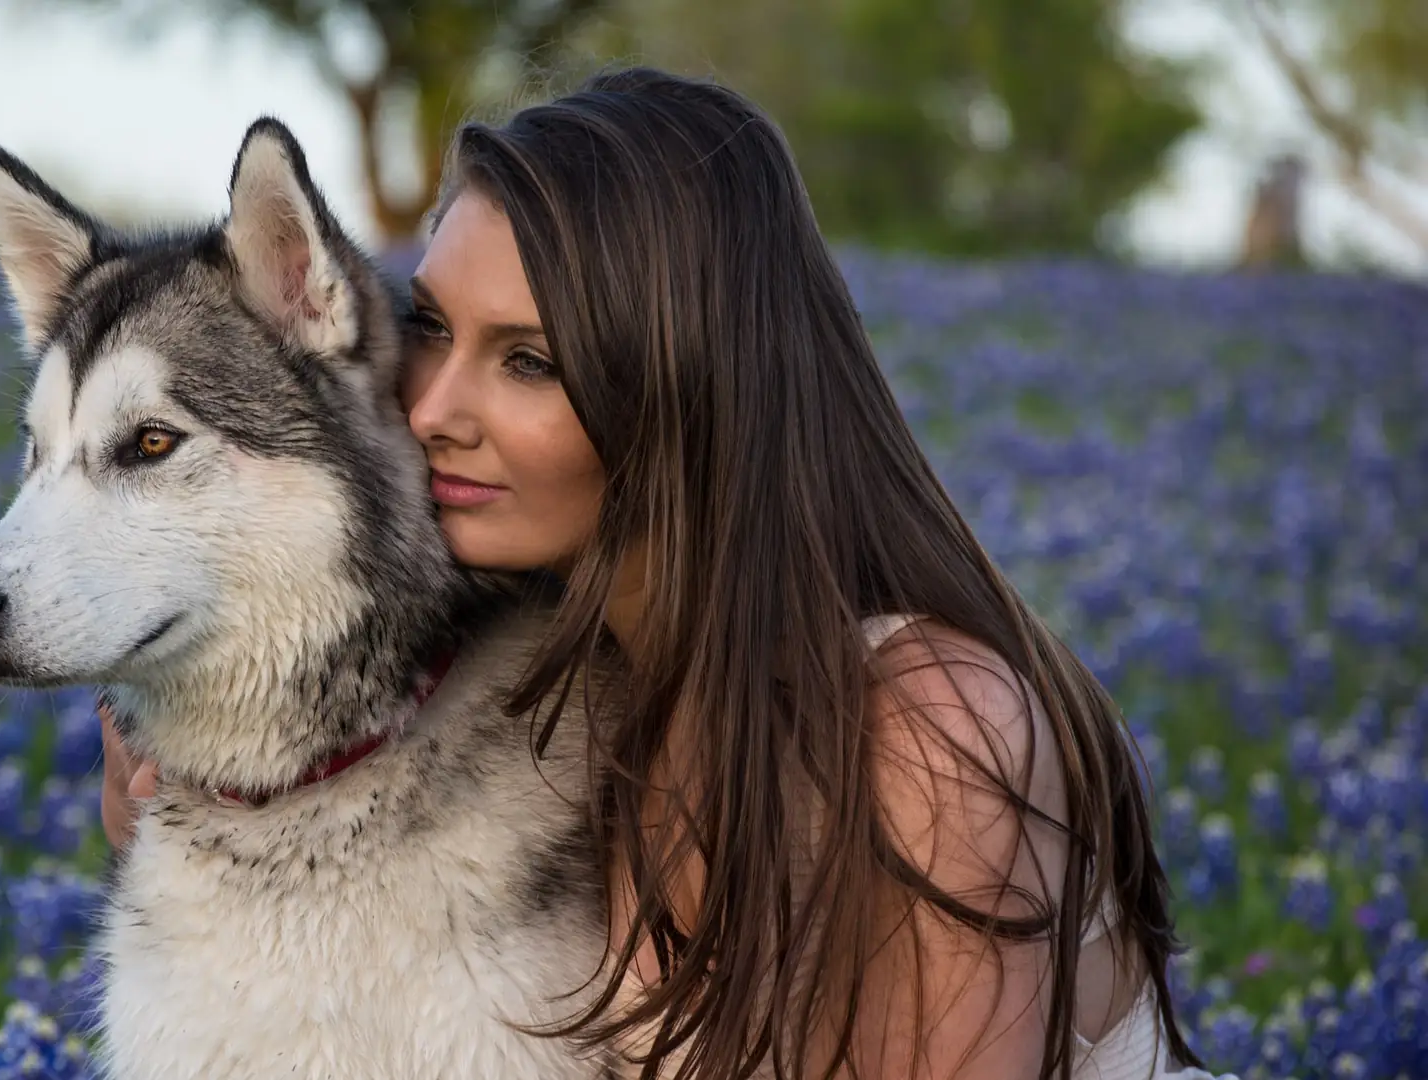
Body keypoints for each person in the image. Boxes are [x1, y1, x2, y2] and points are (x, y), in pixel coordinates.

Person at [99, 67, 1219, 1080]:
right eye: (431, 326)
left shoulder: (930, 731)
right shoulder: (545, 685)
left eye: (528, 361)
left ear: (681, 390)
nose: (428, 410)